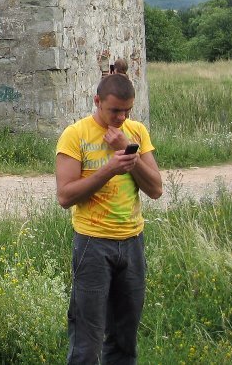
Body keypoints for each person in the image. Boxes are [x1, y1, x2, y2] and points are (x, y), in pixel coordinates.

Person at [55, 74, 163, 364]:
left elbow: (156, 189)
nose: (122, 117)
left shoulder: (136, 132)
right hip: (92, 244)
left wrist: (129, 152)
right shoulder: (75, 135)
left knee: (125, 336)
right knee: (87, 338)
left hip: (132, 242)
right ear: (97, 101)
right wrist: (109, 169)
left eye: (127, 110)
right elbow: (65, 196)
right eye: (115, 110)